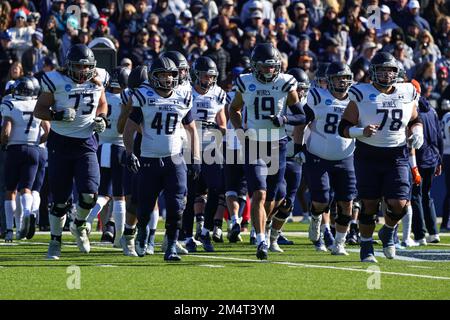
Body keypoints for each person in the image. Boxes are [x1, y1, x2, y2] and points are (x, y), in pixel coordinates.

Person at [338, 52, 424, 263]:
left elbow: (415, 119)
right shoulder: (361, 93)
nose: (387, 75)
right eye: (383, 70)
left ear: (397, 73)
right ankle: (366, 245)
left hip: (397, 154)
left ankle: (387, 231)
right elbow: (343, 127)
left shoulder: (407, 91)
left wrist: (418, 132)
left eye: (391, 70)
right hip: (368, 155)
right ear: (373, 72)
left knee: (400, 204)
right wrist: (361, 131)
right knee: (369, 204)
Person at [229, 43, 305, 260]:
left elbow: (301, 116)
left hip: (277, 144)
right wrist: (240, 131)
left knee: (274, 196)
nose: (269, 70)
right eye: (265, 66)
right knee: (259, 193)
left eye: (273, 66)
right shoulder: (245, 82)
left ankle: (261, 225)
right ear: (255, 66)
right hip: (254, 143)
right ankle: (261, 239)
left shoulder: (285, 82)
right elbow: (233, 109)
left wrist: (285, 119)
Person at [34, 44, 109, 260]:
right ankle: (55, 241)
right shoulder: (55, 79)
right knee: (60, 200)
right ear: (69, 65)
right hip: (61, 142)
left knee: (90, 194)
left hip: (86, 142)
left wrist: (102, 118)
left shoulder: (99, 77)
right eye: (78, 66)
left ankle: (78, 224)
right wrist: (56, 115)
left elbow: (102, 103)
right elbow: (39, 110)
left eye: (87, 67)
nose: (83, 71)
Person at [122, 56, 200, 261]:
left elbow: (192, 129)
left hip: (175, 159)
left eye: (171, 74)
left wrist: (196, 157)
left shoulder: (183, 96)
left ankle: (171, 246)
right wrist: (129, 152)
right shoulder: (144, 96)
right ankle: (141, 233)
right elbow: (129, 129)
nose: (167, 79)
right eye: (162, 75)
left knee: (176, 206)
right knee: (145, 207)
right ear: (153, 77)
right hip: (149, 159)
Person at [301, 62, 357, 256]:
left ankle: (339, 243)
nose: (342, 81)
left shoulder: (357, 98)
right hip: (318, 155)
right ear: (329, 80)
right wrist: (299, 147)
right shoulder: (317, 97)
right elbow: (303, 121)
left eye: (345, 78)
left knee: (346, 202)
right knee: (322, 199)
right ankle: (316, 216)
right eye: (337, 78)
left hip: (345, 156)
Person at [184, 56, 227, 252]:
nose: (208, 80)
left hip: (211, 147)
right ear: (195, 75)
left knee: (217, 188)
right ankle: (186, 235)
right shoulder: (185, 91)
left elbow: (223, 123)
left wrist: (218, 128)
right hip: (189, 147)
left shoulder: (218, 93)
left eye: (211, 76)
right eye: (204, 76)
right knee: (190, 192)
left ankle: (206, 230)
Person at [85, 67, 130, 248]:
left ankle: (86, 220)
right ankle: (120, 238)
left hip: (101, 146)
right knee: (119, 196)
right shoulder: (127, 99)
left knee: (103, 193)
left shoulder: (102, 97)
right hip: (119, 147)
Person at [1, 77, 49, 242]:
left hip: (15, 148)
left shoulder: (10, 104)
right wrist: (37, 142)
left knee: (10, 190)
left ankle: (9, 229)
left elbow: (6, 131)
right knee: (27, 189)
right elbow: (47, 130)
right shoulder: (37, 104)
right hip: (33, 149)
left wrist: (4, 143)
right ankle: (28, 212)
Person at [411, 94, 443, 244]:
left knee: (416, 196)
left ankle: (419, 234)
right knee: (427, 196)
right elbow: (438, 137)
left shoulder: (413, 110)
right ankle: (433, 232)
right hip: (432, 158)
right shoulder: (432, 111)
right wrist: (439, 160)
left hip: (418, 158)